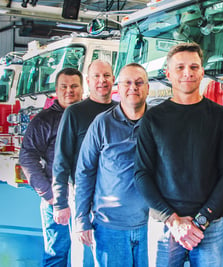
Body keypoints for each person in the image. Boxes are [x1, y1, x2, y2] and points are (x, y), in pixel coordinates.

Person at [134, 42, 223, 267]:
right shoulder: (153, 119)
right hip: (165, 224)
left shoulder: (220, 117)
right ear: (168, 74)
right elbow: (142, 174)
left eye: (194, 67)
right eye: (180, 67)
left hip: (210, 225)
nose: (187, 73)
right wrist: (172, 220)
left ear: (202, 72)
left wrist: (202, 219)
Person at [74, 63, 150, 267]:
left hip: (150, 225)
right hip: (110, 228)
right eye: (127, 82)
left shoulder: (157, 123)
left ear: (148, 88)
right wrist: (81, 218)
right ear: (119, 87)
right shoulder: (102, 124)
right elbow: (84, 171)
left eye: (139, 82)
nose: (133, 87)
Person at [52, 60, 117, 266]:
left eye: (106, 75)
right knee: (84, 255)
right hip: (83, 195)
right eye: (96, 76)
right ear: (88, 81)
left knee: (110, 255)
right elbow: (61, 159)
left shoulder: (121, 110)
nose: (102, 81)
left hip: (114, 197)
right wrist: (60, 203)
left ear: (113, 80)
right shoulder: (74, 113)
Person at [19, 68, 83, 266]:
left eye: (74, 86)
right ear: (56, 89)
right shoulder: (43, 120)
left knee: (89, 256)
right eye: (64, 86)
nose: (69, 91)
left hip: (87, 200)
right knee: (56, 254)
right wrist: (49, 195)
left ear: (83, 88)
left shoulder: (91, 116)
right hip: (56, 200)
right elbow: (27, 157)